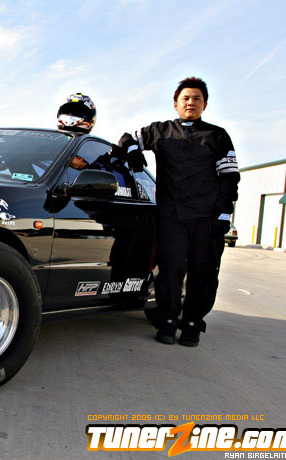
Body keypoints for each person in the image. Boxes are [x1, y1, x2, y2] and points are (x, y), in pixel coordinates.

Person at [114, 77, 240, 347]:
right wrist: (133, 151)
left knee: (203, 273)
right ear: (176, 104)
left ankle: (192, 324)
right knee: (170, 270)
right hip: (171, 216)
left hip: (207, 218)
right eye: (186, 98)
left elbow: (229, 177)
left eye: (196, 99)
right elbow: (126, 138)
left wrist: (225, 213)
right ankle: (168, 321)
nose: (190, 103)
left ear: (205, 104)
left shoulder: (218, 136)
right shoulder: (161, 131)